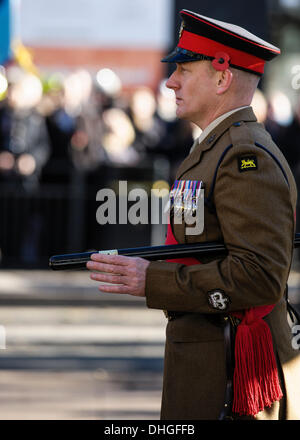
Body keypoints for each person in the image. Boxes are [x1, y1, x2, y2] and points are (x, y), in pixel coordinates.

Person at [86, 10, 300, 420]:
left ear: (222, 79)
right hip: (214, 361)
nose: (170, 81)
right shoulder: (217, 147)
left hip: (232, 375)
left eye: (184, 69)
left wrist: (153, 279)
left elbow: (260, 276)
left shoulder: (243, 154)